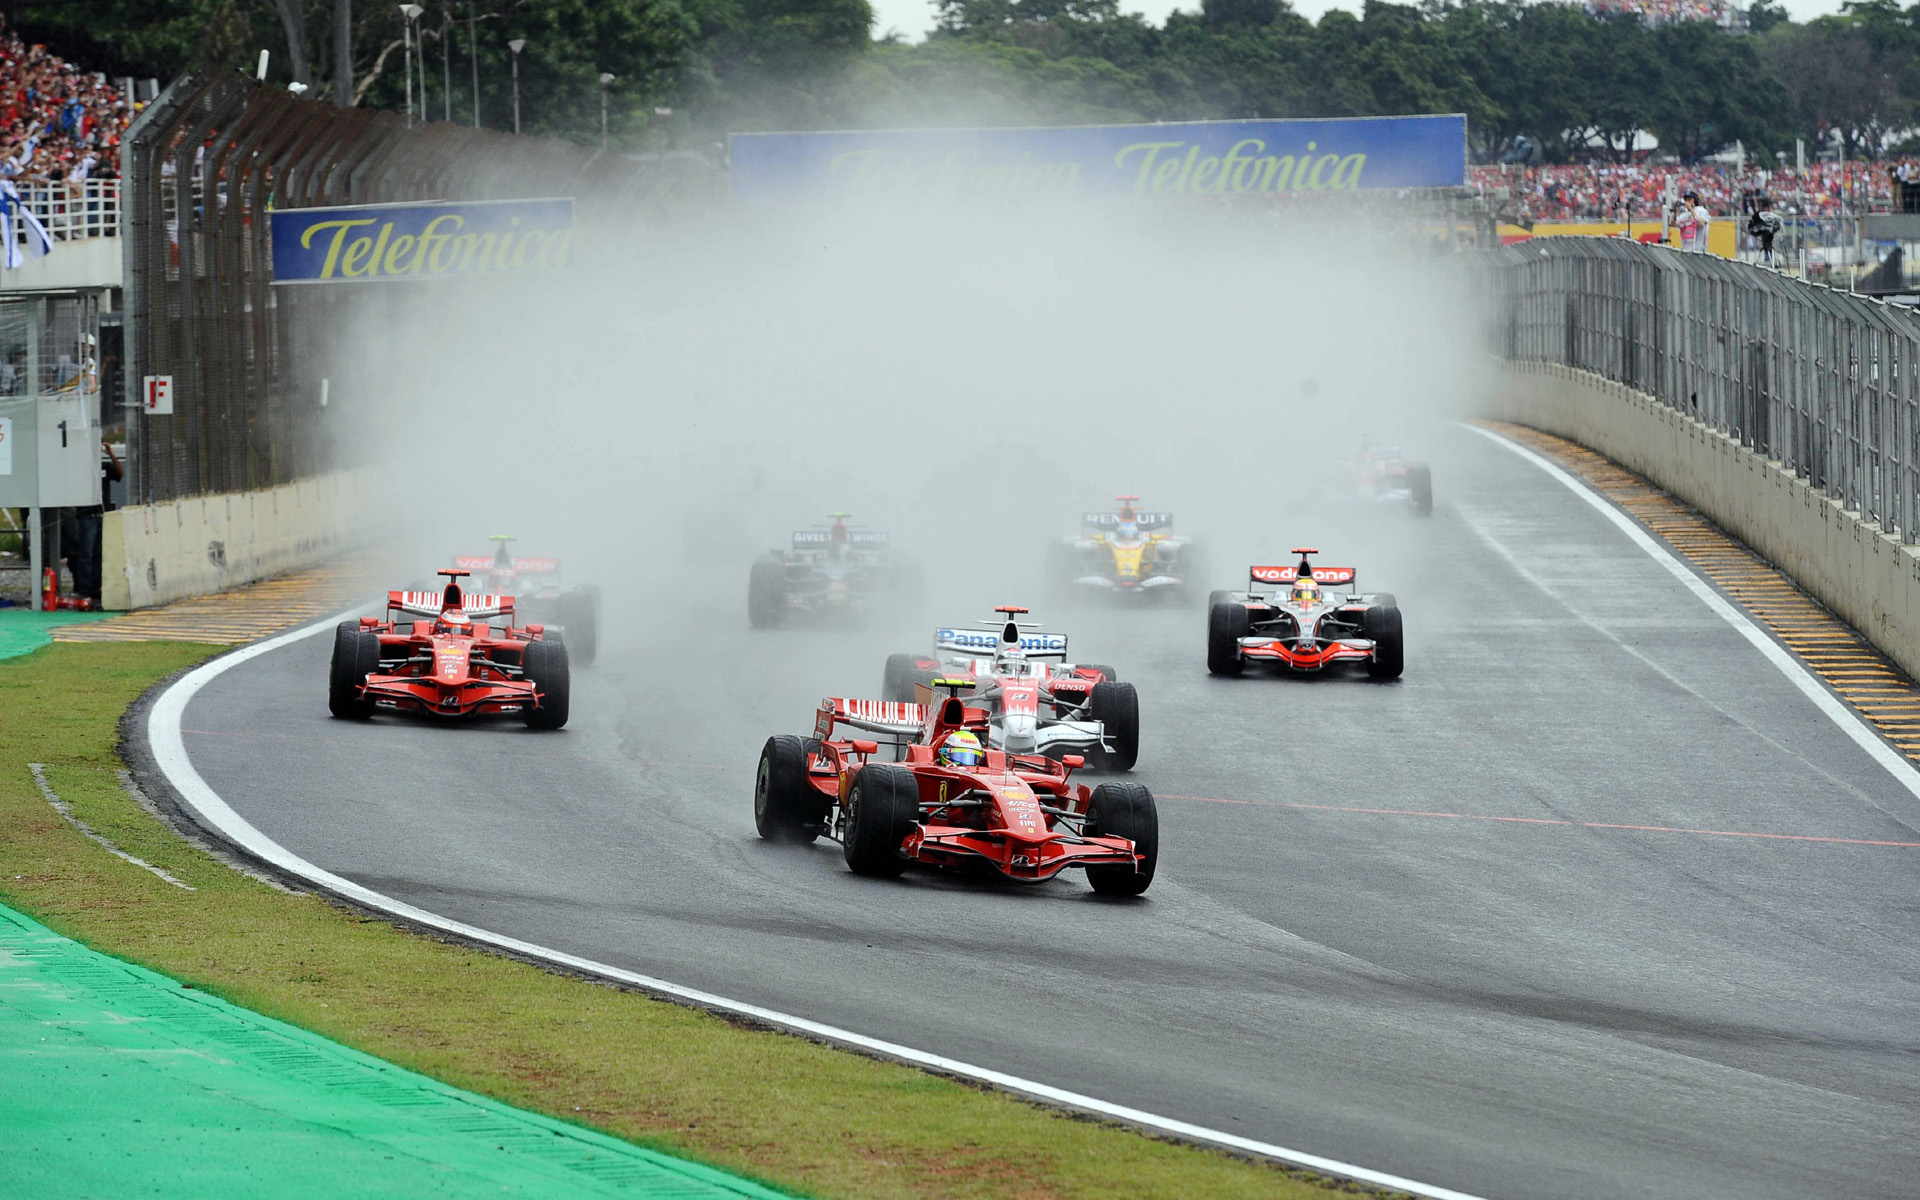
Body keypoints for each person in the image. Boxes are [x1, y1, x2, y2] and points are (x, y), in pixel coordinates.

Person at [1747, 197, 1783, 265]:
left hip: (1768, 237)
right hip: (1767, 236)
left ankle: (1769, 261)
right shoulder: (1767, 215)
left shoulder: (1760, 215)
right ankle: (1769, 261)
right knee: (1768, 247)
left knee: (1768, 247)